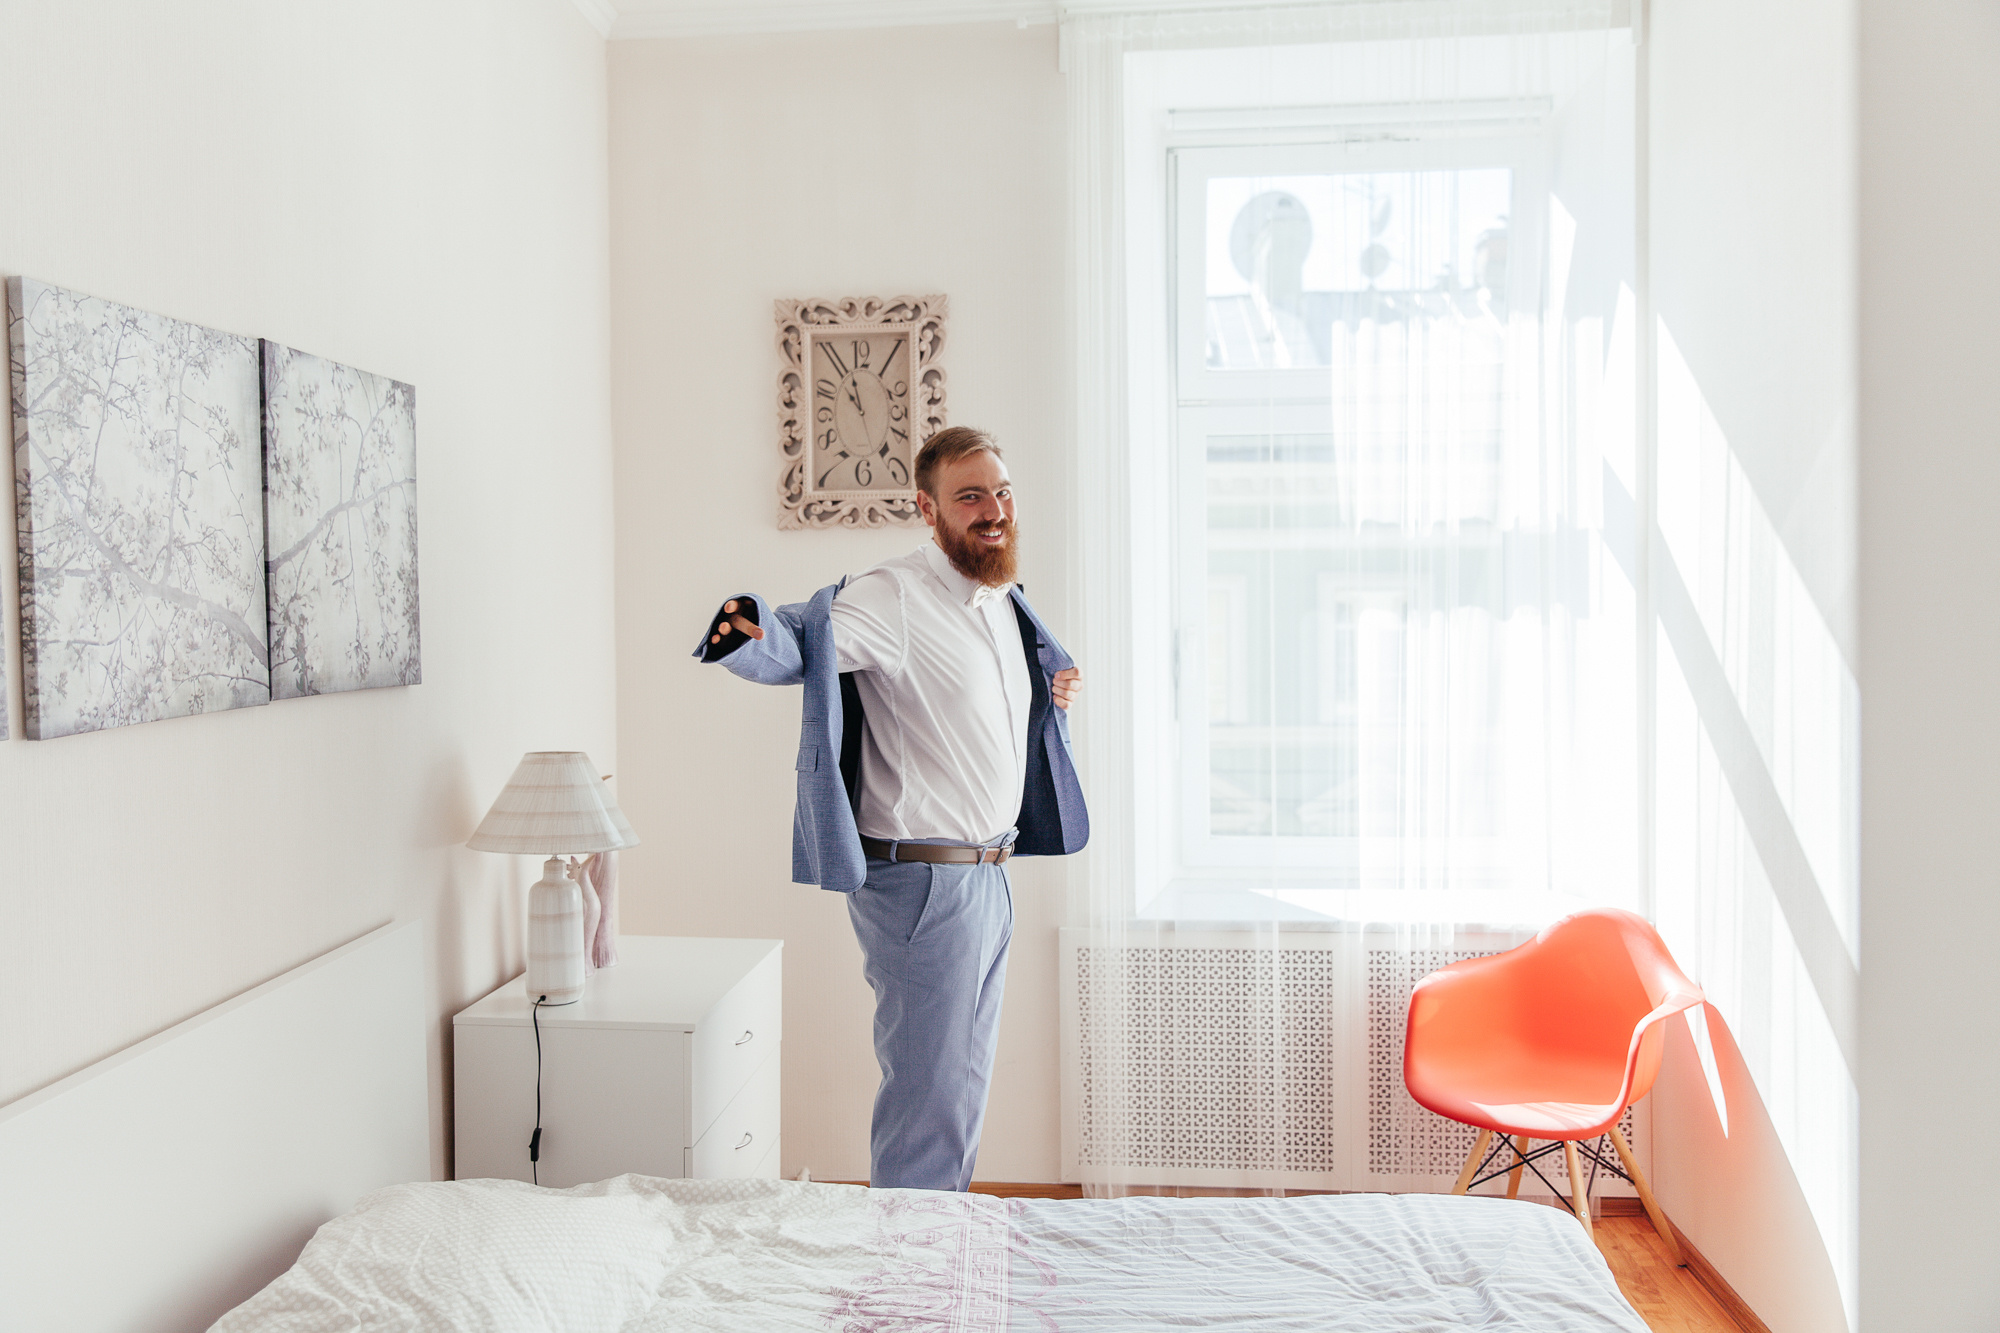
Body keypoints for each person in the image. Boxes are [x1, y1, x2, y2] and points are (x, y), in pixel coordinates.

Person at [694, 426, 1087, 1191]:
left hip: (987, 874)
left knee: (960, 1087)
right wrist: (748, 630)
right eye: (969, 495)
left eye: (1001, 490)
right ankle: (906, 1281)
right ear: (927, 508)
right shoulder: (895, 595)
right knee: (925, 1095)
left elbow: (997, 703)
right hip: (924, 884)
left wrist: (1053, 692)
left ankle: (941, 1255)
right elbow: (804, 644)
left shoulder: (999, 598)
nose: (993, 508)